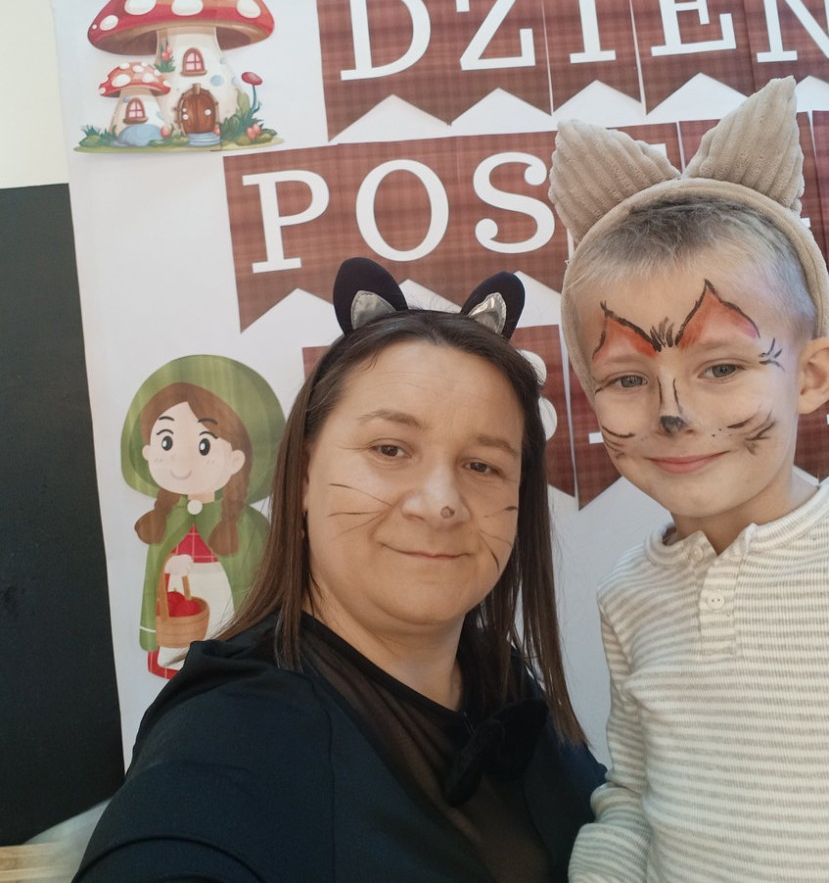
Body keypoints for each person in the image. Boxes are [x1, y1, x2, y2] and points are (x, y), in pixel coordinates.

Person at [75, 257, 603, 882]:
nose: (440, 502)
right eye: (390, 449)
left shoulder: (507, 683)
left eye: (482, 465)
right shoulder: (227, 742)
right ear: (303, 475)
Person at [548, 76, 829, 882]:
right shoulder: (628, 596)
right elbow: (635, 797)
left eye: (722, 367)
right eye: (627, 379)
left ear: (809, 377)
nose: (672, 414)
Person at [121, 355, 284, 677]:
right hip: (179, 626)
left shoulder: (251, 526)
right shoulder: (165, 519)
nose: (182, 461)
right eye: (166, 441)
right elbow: (154, 585)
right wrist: (169, 569)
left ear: (237, 458)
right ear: (148, 451)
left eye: (205, 445)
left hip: (231, 626)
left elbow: (265, 588)